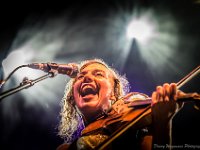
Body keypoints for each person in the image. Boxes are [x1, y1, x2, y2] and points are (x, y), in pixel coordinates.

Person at [57, 59, 199, 150]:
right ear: (73, 97)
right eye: (80, 76)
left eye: (99, 74)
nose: (86, 77)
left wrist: (162, 122)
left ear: (113, 93)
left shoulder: (134, 127)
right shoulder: (66, 149)